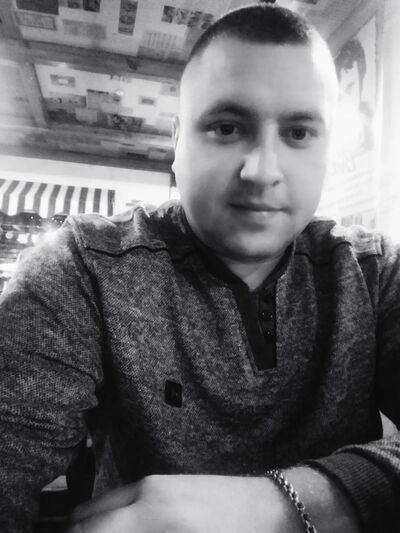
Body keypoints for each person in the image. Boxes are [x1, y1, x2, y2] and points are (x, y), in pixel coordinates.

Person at [0, 3, 399, 532]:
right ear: (177, 141)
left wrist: (281, 506)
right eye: (227, 127)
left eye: (300, 133)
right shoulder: (84, 269)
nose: (262, 171)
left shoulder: (374, 272)